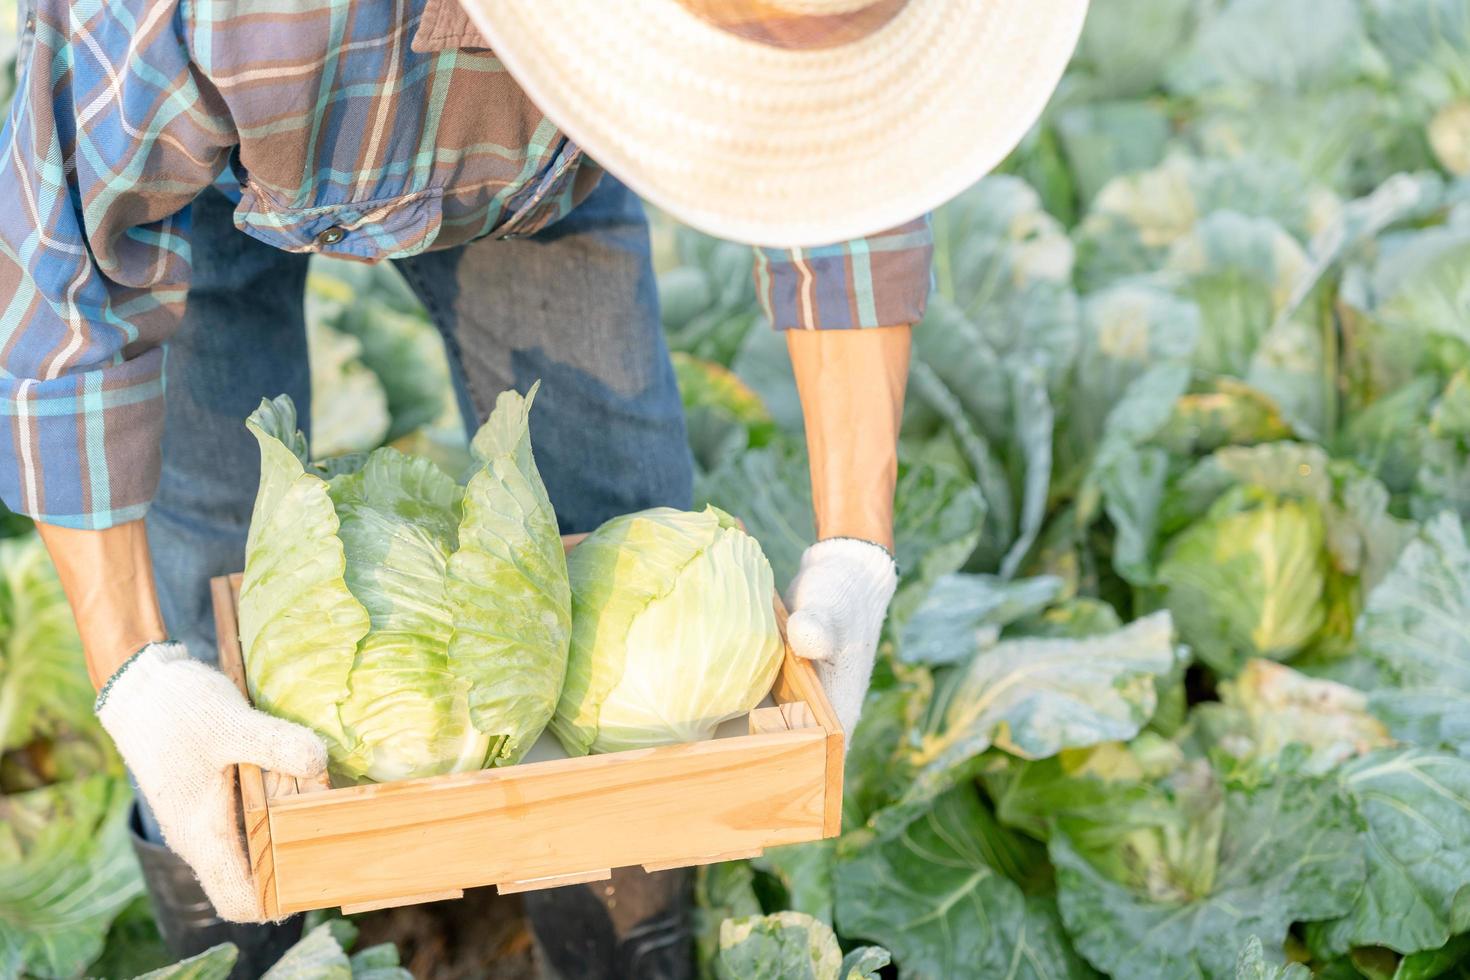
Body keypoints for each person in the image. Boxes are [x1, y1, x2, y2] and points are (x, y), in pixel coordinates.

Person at [0, 0, 1085, 976]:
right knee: (206, 577)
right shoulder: (210, 17)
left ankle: (628, 941)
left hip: (540, 179)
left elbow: (849, 177)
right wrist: (136, 672)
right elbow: (61, 296)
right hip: (196, 188)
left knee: (623, 507)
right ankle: (241, 945)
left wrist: (857, 543)